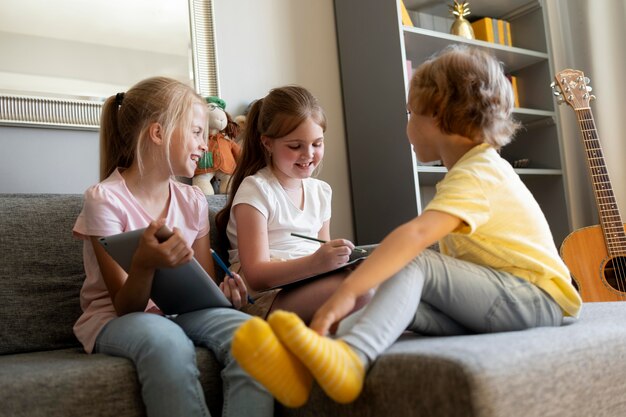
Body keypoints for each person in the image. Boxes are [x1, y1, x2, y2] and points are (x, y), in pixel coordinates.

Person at [229, 45, 583, 408]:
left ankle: (353, 359)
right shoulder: (469, 172)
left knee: (410, 261)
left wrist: (345, 295)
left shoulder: (478, 173)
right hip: (502, 300)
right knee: (391, 298)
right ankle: (306, 370)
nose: (407, 126)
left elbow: (414, 237)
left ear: (439, 117)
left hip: (533, 298)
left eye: (411, 114)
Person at [72, 76, 273, 417]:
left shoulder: (193, 200)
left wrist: (226, 298)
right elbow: (125, 306)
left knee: (254, 334)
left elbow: (201, 291)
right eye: (196, 132)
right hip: (116, 319)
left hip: (182, 313)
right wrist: (144, 264)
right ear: (158, 133)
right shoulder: (104, 200)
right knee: (166, 341)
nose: (204, 145)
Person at [215, 85, 372, 323]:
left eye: (317, 144)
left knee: (383, 278)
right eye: (295, 146)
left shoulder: (321, 192)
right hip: (265, 295)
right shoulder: (256, 189)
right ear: (268, 143)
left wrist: (337, 258)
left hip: (310, 280)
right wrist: (317, 263)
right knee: (360, 291)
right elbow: (256, 275)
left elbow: (322, 247)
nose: (308, 154)